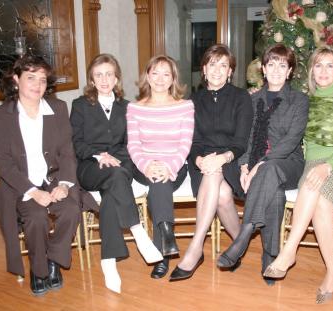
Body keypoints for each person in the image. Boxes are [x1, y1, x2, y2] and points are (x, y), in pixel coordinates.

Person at [263, 46, 333, 304]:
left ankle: (290, 253)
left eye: (330, 65)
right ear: (311, 71)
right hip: (313, 160)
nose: (323, 71)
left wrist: (327, 166)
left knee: (322, 198)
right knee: (316, 195)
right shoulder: (304, 100)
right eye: (318, 65)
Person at [216, 44, 309, 286]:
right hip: (256, 166)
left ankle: (244, 235)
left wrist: (260, 164)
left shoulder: (299, 100)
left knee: (268, 170)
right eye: (272, 64)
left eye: (283, 65)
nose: (276, 70)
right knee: (273, 192)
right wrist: (246, 165)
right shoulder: (252, 99)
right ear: (264, 69)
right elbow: (244, 136)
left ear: (289, 71)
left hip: (287, 163)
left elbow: (291, 140)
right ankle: (270, 254)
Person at [70, 54, 162, 294]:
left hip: (120, 166)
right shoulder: (80, 105)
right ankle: (138, 231)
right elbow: (76, 142)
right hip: (90, 166)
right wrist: (100, 156)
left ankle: (108, 262)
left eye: (109, 74)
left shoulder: (126, 106)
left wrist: (115, 159)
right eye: (98, 74)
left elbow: (131, 142)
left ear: (116, 77)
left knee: (115, 185)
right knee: (117, 177)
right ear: (91, 78)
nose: (104, 79)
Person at [0, 55, 81, 296]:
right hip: (21, 185)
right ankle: (38, 269)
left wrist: (63, 184)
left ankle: (53, 260)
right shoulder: (1, 115)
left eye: (42, 79)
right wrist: (32, 191)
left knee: (71, 209)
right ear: (16, 79)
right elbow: (4, 162)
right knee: (37, 217)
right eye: (30, 78)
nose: (37, 85)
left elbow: (66, 152)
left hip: (53, 179)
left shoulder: (58, 108)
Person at [169, 44, 253, 281]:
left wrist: (223, 157)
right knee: (222, 195)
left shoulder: (241, 97)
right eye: (212, 64)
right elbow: (191, 142)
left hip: (231, 160)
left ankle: (195, 249)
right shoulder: (192, 101)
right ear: (204, 69)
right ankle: (239, 244)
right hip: (201, 163)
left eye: (223, 65)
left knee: (217, 176)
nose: (217, 70)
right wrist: (198, 159)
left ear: (230, 72)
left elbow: (241, 142)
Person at [127, 55, 194, 279]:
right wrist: (147, 166)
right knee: (157, 178)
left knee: (161, 181)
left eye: (166, 73)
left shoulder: (185, 106)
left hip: (175, 165)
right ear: (147, 76)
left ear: (173, 78)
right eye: (155, 73)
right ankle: (166, 237)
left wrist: (169, 166)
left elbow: (186, 144)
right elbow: (133, 145)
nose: (160, 79)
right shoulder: (134, 108)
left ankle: (161, 251)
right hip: (143, 165)